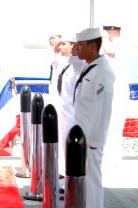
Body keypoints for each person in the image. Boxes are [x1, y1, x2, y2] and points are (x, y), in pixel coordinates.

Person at [73, 27, 115, 208]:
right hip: (82, 136)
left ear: (92, 46)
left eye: (80, 45)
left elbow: (103, 109)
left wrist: (94, 140)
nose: (76, 48)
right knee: (85, 179)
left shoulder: (102, 72)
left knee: (92, 181)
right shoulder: (91, 66)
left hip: (91, 138)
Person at [56, 34, 86, 178]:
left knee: (74, 154)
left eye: (64, 44)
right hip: (65, 115)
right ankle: (69, 181)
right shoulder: (69, 66)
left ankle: (74, 187)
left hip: (75, 118)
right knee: (66, 151)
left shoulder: (82, 67)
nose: (60, 47)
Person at [101, 25, 130, 167]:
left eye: (107, 29)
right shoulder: (108, 45)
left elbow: (111, 52)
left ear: (114, 30)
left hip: (118, 92)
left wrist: (104, 37)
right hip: (108, 91)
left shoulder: (121, 44)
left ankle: (113, 159)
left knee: (114, 125)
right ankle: (108, 157)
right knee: (107, 125)